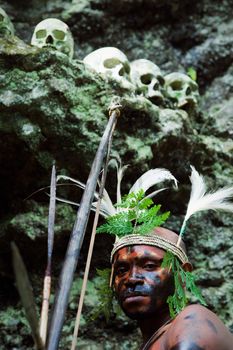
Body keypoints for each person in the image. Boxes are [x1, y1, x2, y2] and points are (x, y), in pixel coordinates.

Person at [111, 227, 233, 350]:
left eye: (149, 266)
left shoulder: (192, 322)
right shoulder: (157, 338)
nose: (131, 279)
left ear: (183, 274)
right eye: (121, 270)